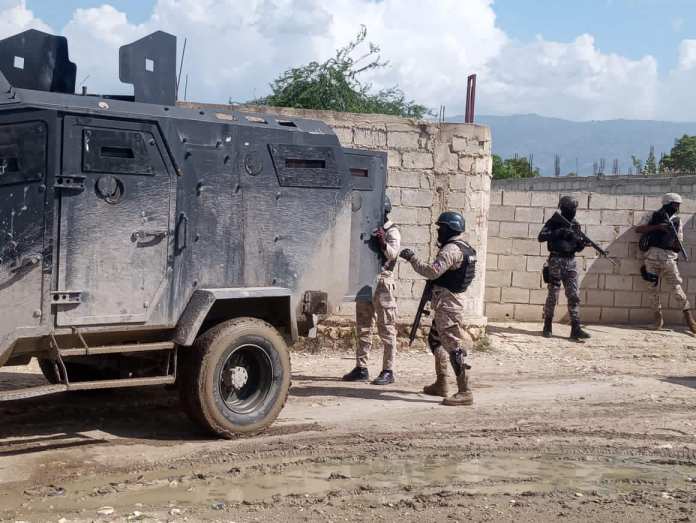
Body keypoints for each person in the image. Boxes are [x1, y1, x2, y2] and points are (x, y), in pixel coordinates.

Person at [399, 211, 476, 406]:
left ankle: (465, 391)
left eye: (441, 227)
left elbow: (432, 272)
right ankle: (441, 383)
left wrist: (412, 259)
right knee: (435, 341)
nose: (439, 231)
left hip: (448, 305)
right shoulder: (466, 247)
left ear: (450, 228)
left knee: (453, 346)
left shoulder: (451, 250)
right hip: (448, 302)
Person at [343, 195, 401, 385]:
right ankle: (361, 368)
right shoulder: (369, 228)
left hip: (383, 283)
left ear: (383, 211)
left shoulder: (392, 231)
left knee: (387, 328)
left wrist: (383, 242)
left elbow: (393, 254)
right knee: (363, 327)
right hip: (365, 282)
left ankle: (388, 370)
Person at [635, 192, 696, 333]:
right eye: (675, 205)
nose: (676, 207)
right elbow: (639, 229)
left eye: (678, 205)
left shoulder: (677, 220)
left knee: (676, 289)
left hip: (669, 259)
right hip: (651, 257)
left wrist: (673, 240)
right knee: (652, 289)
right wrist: (657, 227)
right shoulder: (653, 216)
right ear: (667, 204)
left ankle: (690, 320)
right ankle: (657, 320)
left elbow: (678, 241)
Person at [538, 196, 591, 341]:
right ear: (563, 209)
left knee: (574, 295)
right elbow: (541, 236)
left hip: (571, 261)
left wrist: (581, 244)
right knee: (553, 294)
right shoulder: (554, 221)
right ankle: (547, 325)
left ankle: (576, 328)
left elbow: (577, 247)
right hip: (556, 260)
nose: (573, 211)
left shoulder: (575, 225)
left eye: (574, 209)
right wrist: (559, 232)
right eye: (570, 209)